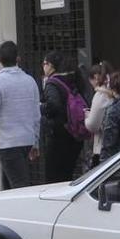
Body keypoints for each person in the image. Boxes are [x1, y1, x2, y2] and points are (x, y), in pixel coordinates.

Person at [0, 41, 41, 190]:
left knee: (19, 187)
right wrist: (36, 141)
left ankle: (22, 213)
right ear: (18, 59)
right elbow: (36, 115)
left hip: (8, 143)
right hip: (26, 140)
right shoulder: (30, 81)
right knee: (9, 187)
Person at [40, 50, 85, 183]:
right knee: (67, 176)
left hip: (58, 135)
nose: (43, 66)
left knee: (53, 179)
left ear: (51, 65)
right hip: (73, 135)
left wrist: (41, 107)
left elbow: (53, 105)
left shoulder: (52, 83)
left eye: (44, 63)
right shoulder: (72, 80)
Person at [84, 61, 115, 167]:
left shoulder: (101, 95)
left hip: (103, 145)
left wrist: (87, 116)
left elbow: (93, 125)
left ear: (95, 78)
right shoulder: (116, 92)